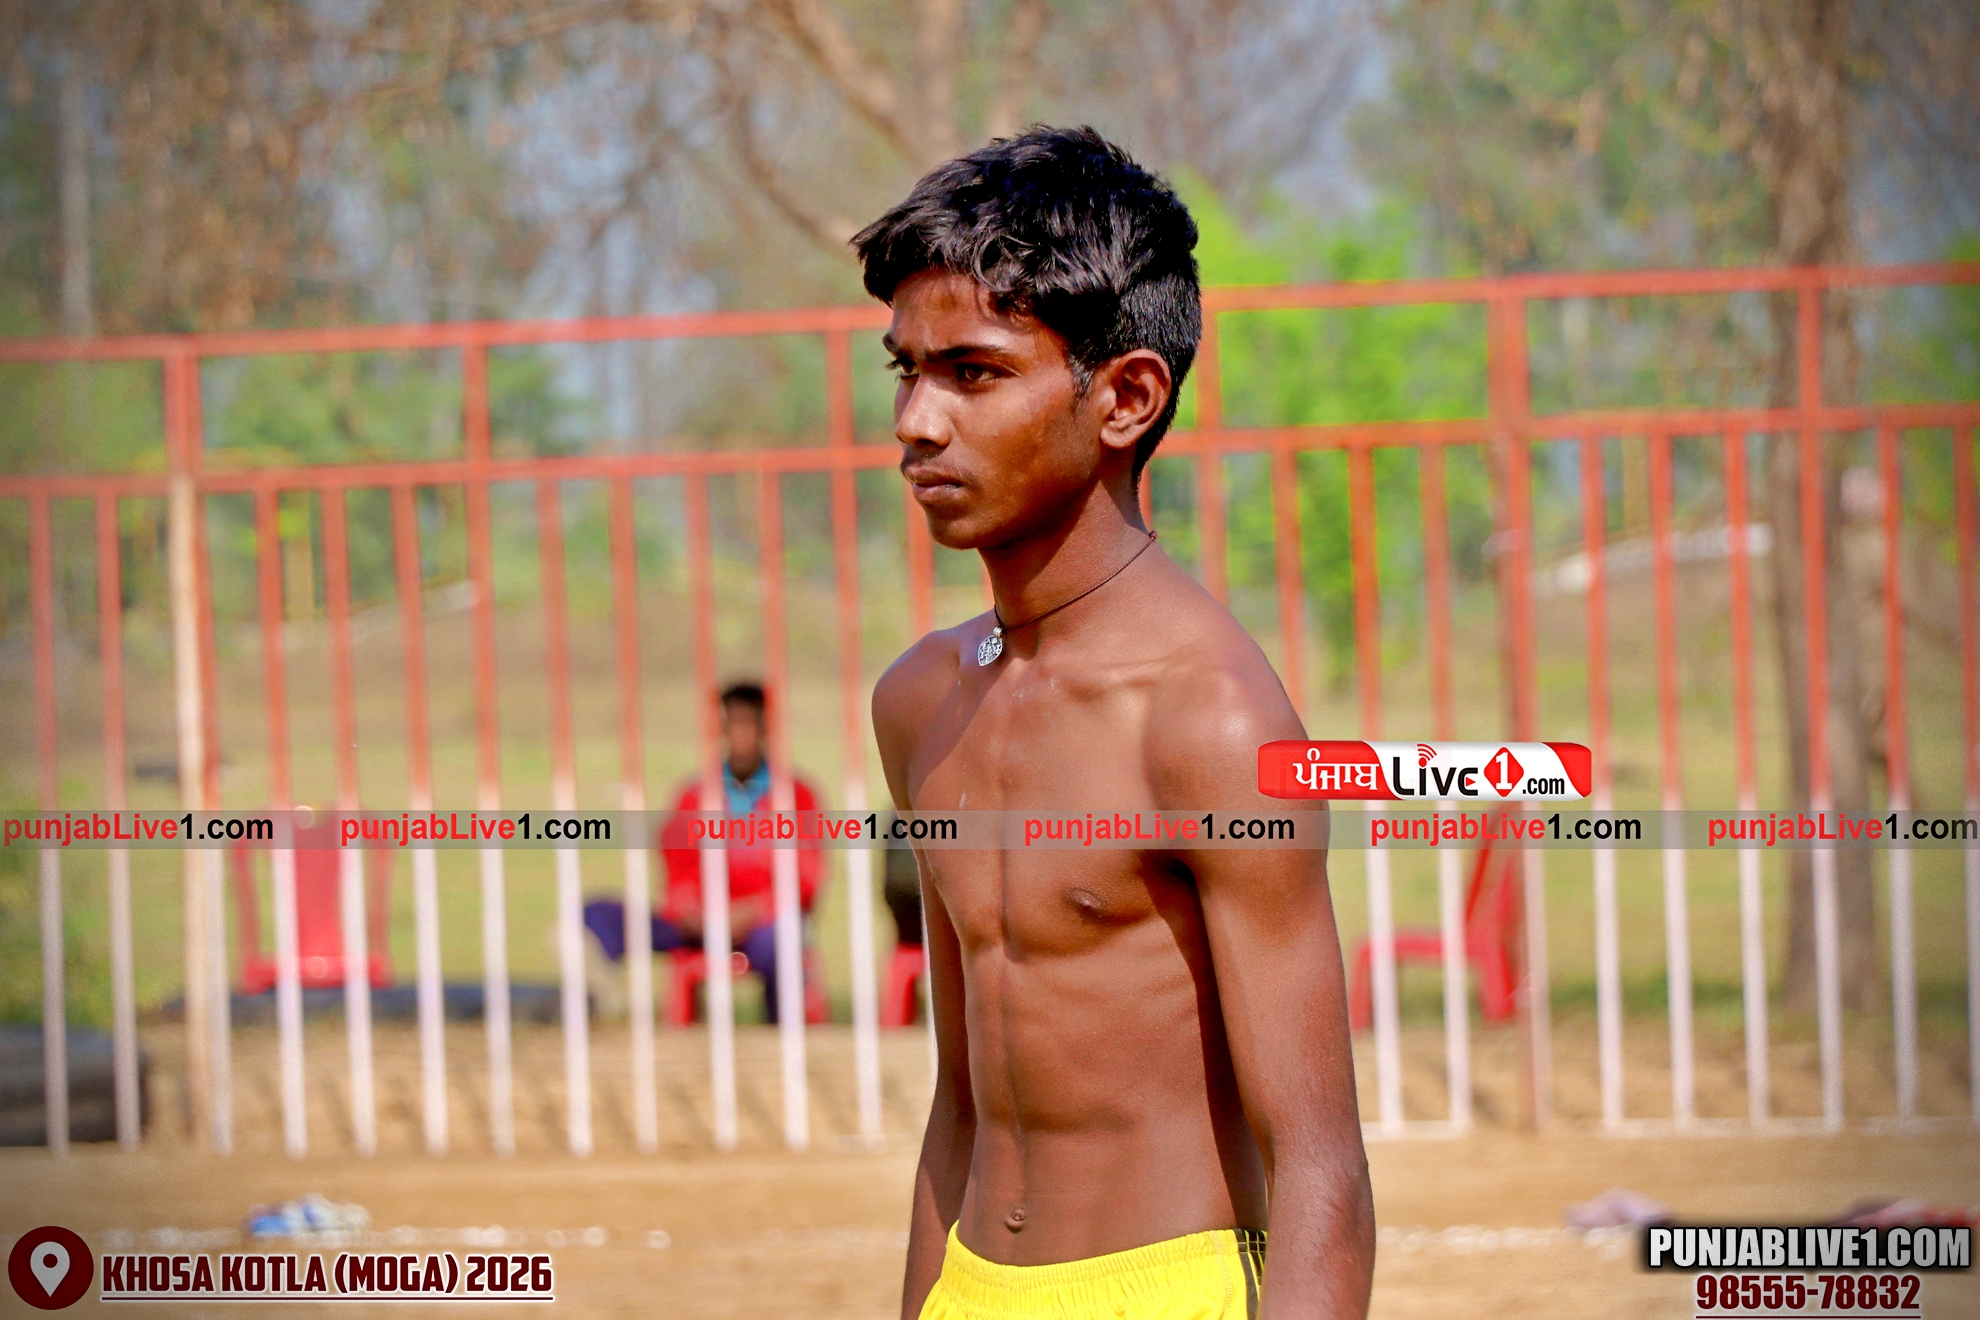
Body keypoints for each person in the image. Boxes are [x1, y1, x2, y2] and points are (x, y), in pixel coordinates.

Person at [859, 128, 1374, 1319]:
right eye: (907, 371)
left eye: (973, 374)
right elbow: (959, 1105)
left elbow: (1321, 1170)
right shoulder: (920, 703)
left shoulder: (1212, 722)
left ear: (1127, 398)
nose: (917, 422)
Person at [582, 681, 825, 1023]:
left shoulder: (797, 796)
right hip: (699, 924)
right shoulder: (694, 796)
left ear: (765, 729)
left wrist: (752, 911)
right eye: (732, 725)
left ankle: (783, 1029)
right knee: (595, 915)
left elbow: (805, 879)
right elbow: (677, 866)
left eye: (748, 724)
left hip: (764, 926)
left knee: (781, 941)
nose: (739, 735)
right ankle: (598, 1003)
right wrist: (691, 909)